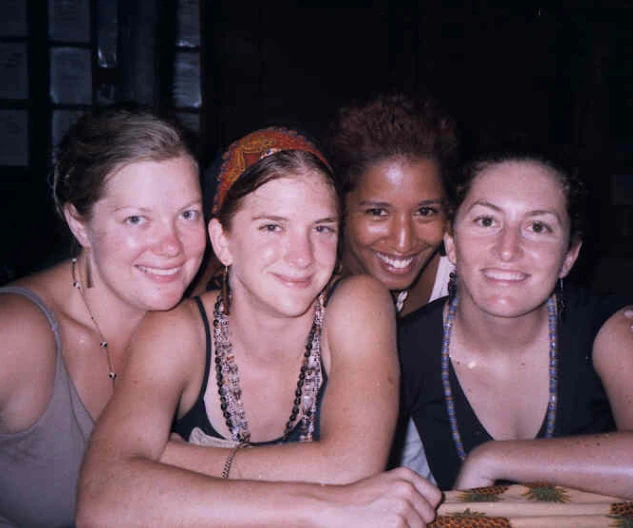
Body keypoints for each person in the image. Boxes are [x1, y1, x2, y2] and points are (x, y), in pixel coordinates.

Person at [77, 127, 442, 527]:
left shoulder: (358, 304)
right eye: (272, 227)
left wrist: (182, 458)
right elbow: (102, 501)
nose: (302, 256)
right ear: (223, 241)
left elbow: (352, 469)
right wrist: (322, 507)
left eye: (321, 228)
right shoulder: (177, 331)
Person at [327, 92, 633, 478]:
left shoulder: (480, 273)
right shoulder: (304, 288)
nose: (402, 240)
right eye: (377, 211)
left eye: (426, 211)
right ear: (339, 210)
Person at [0, 105, 207, 526]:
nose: (172, 246)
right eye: (136, 219)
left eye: (187, 215)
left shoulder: (181, 318)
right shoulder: (8, 337)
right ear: (78, 225)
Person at [398, 148, 633, 501]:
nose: (508, 249)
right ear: (451, 240)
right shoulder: (405, 348)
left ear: (568, 257)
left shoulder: (610, 328)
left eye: (538, 226)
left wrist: (492, 459)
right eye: (486, 221)